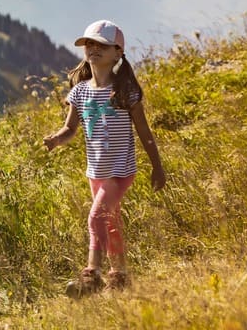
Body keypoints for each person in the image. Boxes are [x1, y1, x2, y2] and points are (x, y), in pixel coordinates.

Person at [43, 19, 167, 295]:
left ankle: (92, 276)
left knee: (96, 217)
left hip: (120, 170)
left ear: (117, 52)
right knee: (110, 221)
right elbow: (70, 128)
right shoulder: (80, 91)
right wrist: (56, 139)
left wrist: (157, 167)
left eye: (101, 45)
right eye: (89, 43)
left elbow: (144, 131)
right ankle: (120, 276)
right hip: (95, 170)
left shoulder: (124, 91)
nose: (93, 48)